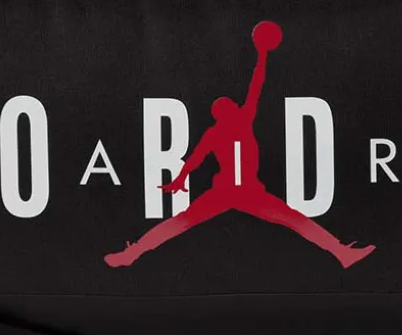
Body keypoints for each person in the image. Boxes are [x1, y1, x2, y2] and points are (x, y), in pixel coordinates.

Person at [104, 22, 375, 269]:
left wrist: (181, 177)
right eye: (229, 105)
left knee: (184, 222)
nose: (234, 105)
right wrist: (262, 55)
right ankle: (341, 252)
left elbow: (196, 158)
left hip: (239, 191)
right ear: (225, 112)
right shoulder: (237, 122)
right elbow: (254, 88)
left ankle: (341, 252)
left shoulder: (226, 127)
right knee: (293, 220)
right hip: (235, 191)